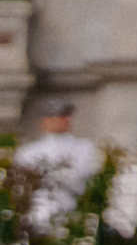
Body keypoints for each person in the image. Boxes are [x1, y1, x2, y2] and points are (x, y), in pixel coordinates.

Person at [17, 101, 102, 236]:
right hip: (37, 212)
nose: (65, 120)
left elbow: (80, 178)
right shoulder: (28, 151)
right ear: (44, 121)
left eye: (67, 116)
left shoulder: (83, 147)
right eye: (58, 116)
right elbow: (23, 183)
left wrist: (45, 175)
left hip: (71, 207)